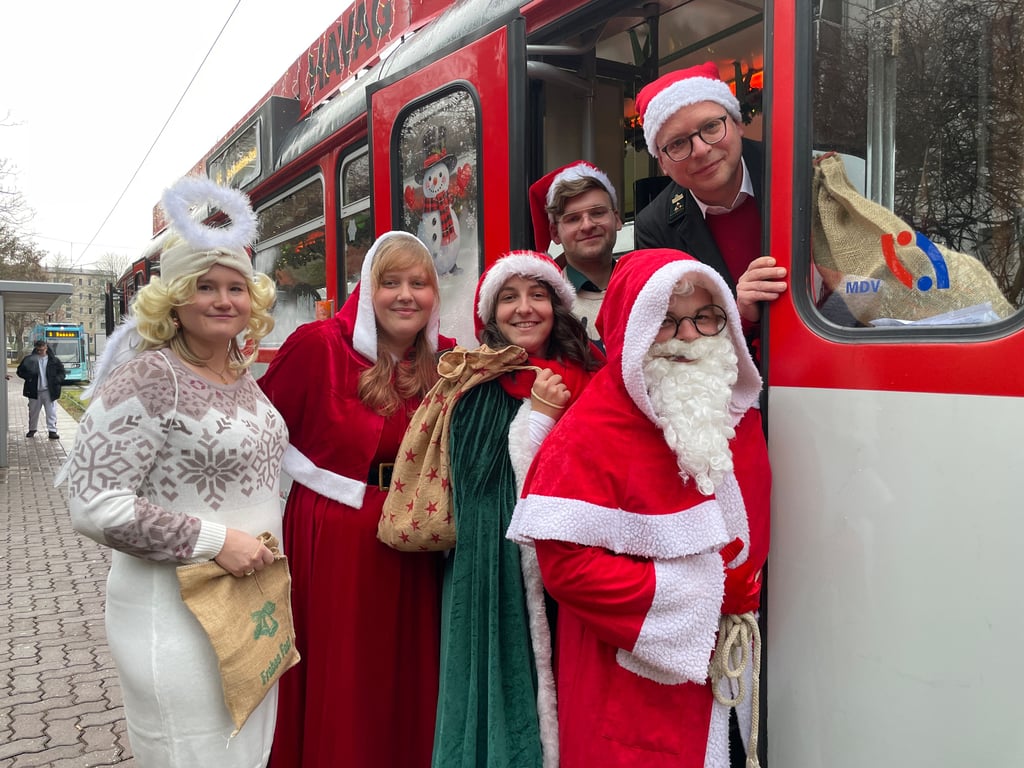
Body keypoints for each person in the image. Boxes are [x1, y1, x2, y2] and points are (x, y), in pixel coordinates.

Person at [507, 249, 771, 768]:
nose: (690, 336)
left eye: (706, 317)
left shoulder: (732, 410)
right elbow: (568, 569)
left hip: (727, 669)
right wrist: (708, 594)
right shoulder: (590, 431)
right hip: (630, 676)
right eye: (668, 322)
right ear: (634, 329)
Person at [57, 176, 286, 767]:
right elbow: (93, 502)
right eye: (205, 286)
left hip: (252, 606)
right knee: (194, 755)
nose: (223, 299)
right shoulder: (148, 377)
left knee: (248, 754)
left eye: (236, 287)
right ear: (175, 297)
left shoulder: (241, 376)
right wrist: (214, 543)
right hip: (174, 616)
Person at [258, 230, 456, 768]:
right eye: (390, 282)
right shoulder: (318, 346)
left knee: (412, 673)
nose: (405, 295)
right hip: (339, 537)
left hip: (420, 537)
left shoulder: (450, 364)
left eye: (419, 283)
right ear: (366, 290)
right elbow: (254, 437)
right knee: (348, 676)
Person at [432, 251, 601, 768]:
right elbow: (485, 495)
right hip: (502, 573)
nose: (525, 309)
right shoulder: (475, 384)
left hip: (583, 564)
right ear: (490, 315)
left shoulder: (594, 374)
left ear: (558, 305)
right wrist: (540, 417)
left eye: (537, 295)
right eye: (509, 298)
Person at [632, 62, 787, 354]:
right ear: (662, 163)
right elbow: (673, 334)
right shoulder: (654, 226)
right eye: (678, 143)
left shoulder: (793, 169)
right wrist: (739, 312)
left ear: (738, 123)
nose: (701, 149)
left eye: (711, 127)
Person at [529, 161, 622, 348]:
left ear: (617, 219)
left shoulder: (646, 286)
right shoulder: (542, 305)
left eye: (597, 213)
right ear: (554, 233)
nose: (587, 225)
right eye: (573, 219)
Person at [17, 339, 66, 439]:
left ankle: (52, 431)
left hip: (49, 391)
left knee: (51, 412)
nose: (40, 352)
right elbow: (20, 371)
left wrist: (57, 380)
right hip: (34, 390)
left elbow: (62, 373)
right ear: (36, 349)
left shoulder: (54, 361)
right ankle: (32, 429)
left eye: (42, 350)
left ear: (46, 348)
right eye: (38, 350)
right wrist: (28, 376)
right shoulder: (30, 359)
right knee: (33, 411)